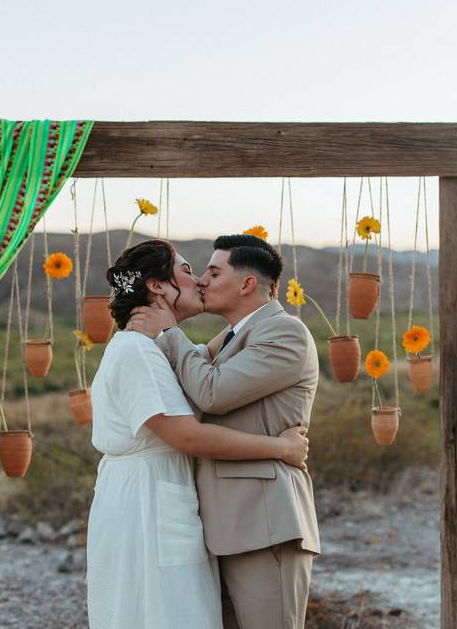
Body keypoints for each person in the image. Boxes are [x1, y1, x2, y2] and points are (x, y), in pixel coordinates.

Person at [85, 239, 310, 629]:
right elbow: (187, 433)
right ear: (157, 286)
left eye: (212, 272)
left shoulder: (282, 332)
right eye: (191, 271)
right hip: (158, 505)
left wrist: (170, 332)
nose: (201, 281)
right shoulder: (139, 350)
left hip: (259, 518)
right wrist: (282, 447)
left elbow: (209, 390)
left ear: (246, 283)